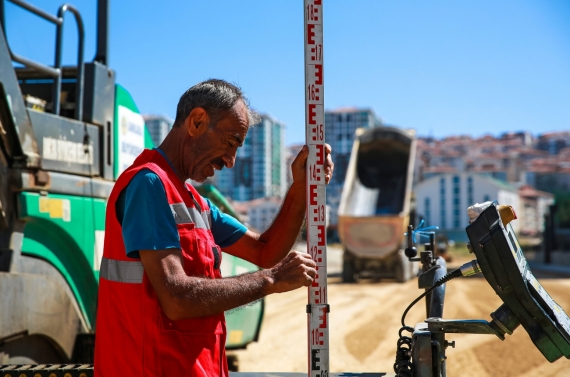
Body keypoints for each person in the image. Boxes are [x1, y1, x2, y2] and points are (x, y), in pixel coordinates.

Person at [94, 79, 334, 377]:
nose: (231, 161)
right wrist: (271, 280)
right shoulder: (149, 184)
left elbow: (265, 251)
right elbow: (177, 298)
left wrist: (300, 189)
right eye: (231, 142)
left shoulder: (195, 202)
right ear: (196, 121)